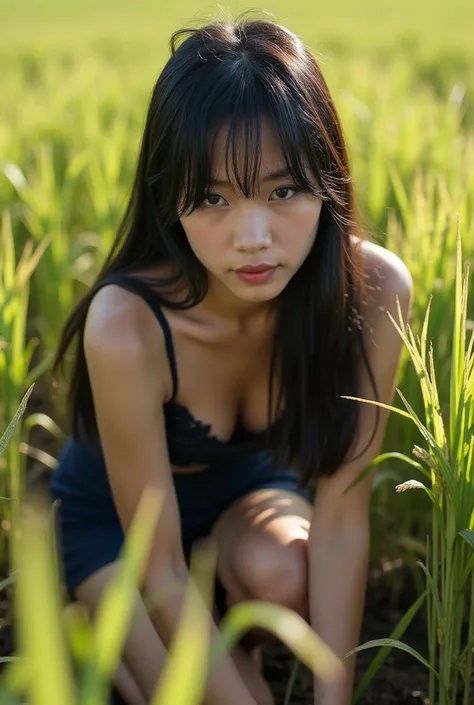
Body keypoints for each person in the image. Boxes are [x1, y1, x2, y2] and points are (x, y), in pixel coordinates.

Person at [49, 13, 413, 705]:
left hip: (247, 501)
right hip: (124, 538)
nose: (253, 238)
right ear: (170, 195)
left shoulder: (377, 291)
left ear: (326, 180)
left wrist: (335, 699)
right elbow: (157, 568)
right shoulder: (126, 325)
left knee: (288, 572)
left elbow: (340, 520)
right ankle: (101, 625)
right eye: (213, 197)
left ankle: (195, 629)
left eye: (282, 192)